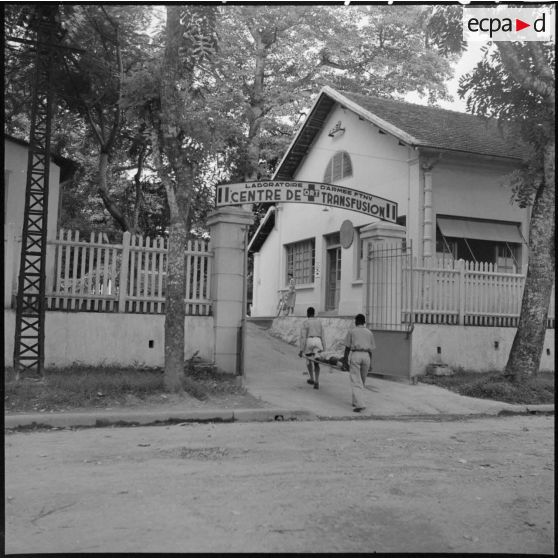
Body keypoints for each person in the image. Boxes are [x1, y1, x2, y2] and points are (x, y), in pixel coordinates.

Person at [342, 313, 375, 412]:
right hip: (366, 356)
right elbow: (370, 350)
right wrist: (371, 363)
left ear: (356, 321)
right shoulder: (369, 332)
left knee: (356, 380)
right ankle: (355, 401)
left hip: (356, 355)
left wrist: (345, 361)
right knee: (362, 381)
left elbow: (347, 348)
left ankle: (360, 404)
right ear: (364, 322)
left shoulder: (352, 331)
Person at [298, 307, 326, 390]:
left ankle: (312, 378)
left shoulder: (305, 323)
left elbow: (303, 337)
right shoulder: (319, 322)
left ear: (307, 314)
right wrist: (324, 349)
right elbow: (323, 336)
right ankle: (317, 381)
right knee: (316, 362)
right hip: (318, 341)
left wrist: (301, 350)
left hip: (309, 341)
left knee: (309, 360)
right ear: (314, 314)